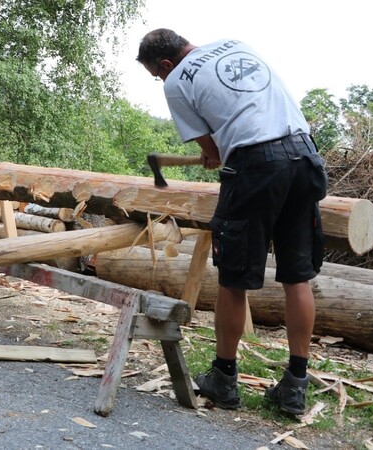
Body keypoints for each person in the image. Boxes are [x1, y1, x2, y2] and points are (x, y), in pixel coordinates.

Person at [137, 29, 328, 415]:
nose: (161, 81)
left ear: (165, 65)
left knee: (234, 278)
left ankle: (223, 379)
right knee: (297, 276)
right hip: (305, 156)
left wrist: (212, 153)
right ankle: (295, 386)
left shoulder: (176, 80)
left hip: (257, 166)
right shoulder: (237, 45)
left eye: (157, 75)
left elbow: (216, 152)